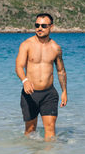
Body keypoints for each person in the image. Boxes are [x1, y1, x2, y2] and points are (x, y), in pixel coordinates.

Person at [15, 13, 67, 141]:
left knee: (50, 130)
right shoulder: (26, 45)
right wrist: (25, 81)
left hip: (49, 94)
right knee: (30, 130)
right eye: (37, 25)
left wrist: (64, 91)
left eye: (44, 26)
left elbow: (61, 71)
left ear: (51, 27)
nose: (40, 28)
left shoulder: (56, 48)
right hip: (30, 93)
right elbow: (19, 66)